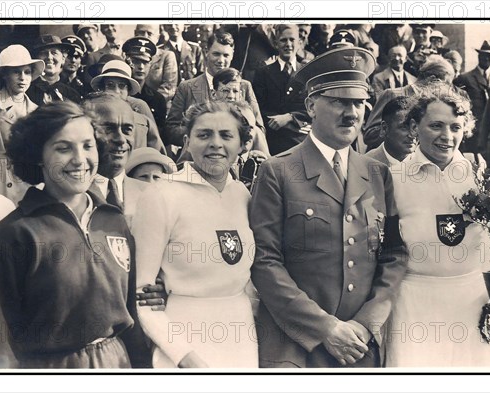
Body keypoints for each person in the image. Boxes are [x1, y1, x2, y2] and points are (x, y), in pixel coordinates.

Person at [249, 46, 408, 368]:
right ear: (310, 105)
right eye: (338, 102)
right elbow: (265, 262)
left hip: (360, 347)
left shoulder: (377, 173)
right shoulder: (278, 171)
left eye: (359, 103)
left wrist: (365, 324)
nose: (351, 113)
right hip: (296, 346)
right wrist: (326, 328)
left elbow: (394, 255)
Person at [0, 101, 149, 368]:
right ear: (37, 155)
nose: (79, 160)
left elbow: (130, 312)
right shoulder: (14, 234)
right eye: (63, 148)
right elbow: (0, 340)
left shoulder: (113, 220)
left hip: (118, 362)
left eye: (87, 146)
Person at [132, 101, 258, 368]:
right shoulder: (161, 194)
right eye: (204, 135)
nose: (215, 143)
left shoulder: (242, 195)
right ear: (188, 142)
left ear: (242, 145)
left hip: (241, 339)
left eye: (226, 135)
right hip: (183, 343)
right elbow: (142, 298)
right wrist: (188, 360)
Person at [386, 84, 490, 367]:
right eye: (436, 125)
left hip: (471, 302)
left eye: (455, 127)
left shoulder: (477, 173)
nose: (447, 137)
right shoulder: (393, 178)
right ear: (414, 126)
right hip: (414, 303)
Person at [166, 29, 264, 147]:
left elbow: (259, 129)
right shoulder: (187, 87)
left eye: (226, 55)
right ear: (206, 52)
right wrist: (201, 134)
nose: (221, 60)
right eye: (216, 54)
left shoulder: (244, 86)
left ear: (232, 55)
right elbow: (171, 130)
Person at [361, 55, 456, 153]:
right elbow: (369, 136)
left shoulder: (431, 104)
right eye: (446, 84)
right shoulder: (392, 95)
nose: (447, 91)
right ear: (432, 80)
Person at [82, 93, 149, 227]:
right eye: (108, 129)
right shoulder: (70, 194)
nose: (121, 139)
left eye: (127, 130)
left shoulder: (151, 194)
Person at [0, 44, 44, 205]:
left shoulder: (36, 110)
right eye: (16, 72)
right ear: (5, 75)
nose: (22, 77)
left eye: (27, 72)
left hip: (30, 178)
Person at [253, 24, 311, 155]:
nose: (288, 44)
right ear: (275, 43)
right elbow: (258, 109)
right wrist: (280, 122)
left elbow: (314, 107)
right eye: (283, 40)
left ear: (300, 42)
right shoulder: (263, 73)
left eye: (292, 40)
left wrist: (290, 118)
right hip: (274, 142)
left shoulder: (307, 72)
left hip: (302, 142)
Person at [90, 59, 166, 154]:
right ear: (102, 89)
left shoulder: (143, 122)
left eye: (122, 86)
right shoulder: (91, 119)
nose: (116, 91)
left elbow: (158, 155)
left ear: (128, 91)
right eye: (110, 85)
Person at [453, 39, 490, 155]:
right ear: (479, 55)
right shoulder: (465, 78)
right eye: (484, 55)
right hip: (474, 132)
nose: (487, 58)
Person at [122, 36, 168, 143]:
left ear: (151, 65)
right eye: (136, 61)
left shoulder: (158, 99)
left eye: (145, 62)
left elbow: (160, 137)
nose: (141, 67)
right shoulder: (121, 94)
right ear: (127, 61)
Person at [26, 35, 81, 105]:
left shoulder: (72, 93)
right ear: (36, 59)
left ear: (63, 59)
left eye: (54, 53)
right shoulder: (27, 90)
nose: (49, 57)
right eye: (43, 53)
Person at [364, 96, 416, 166]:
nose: (412, 135)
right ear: (384, 128)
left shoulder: (428, 164)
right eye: (404, 127)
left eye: (415, 127)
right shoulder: (364, 165)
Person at [134, 24, 178, 104]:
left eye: (150, 34)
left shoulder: (166, 56)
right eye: (141, 32)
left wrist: (146, 104)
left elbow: (169, 88)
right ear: (135, 34)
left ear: (157, 37)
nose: (145, 36)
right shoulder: (127, 55)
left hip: (158, 104)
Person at [60, 35, 89, 100]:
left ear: (81, 61)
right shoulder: (54, 82)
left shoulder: (85, 85)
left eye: (76, 57)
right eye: (69, 56)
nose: (73, 60)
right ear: (61, 58)